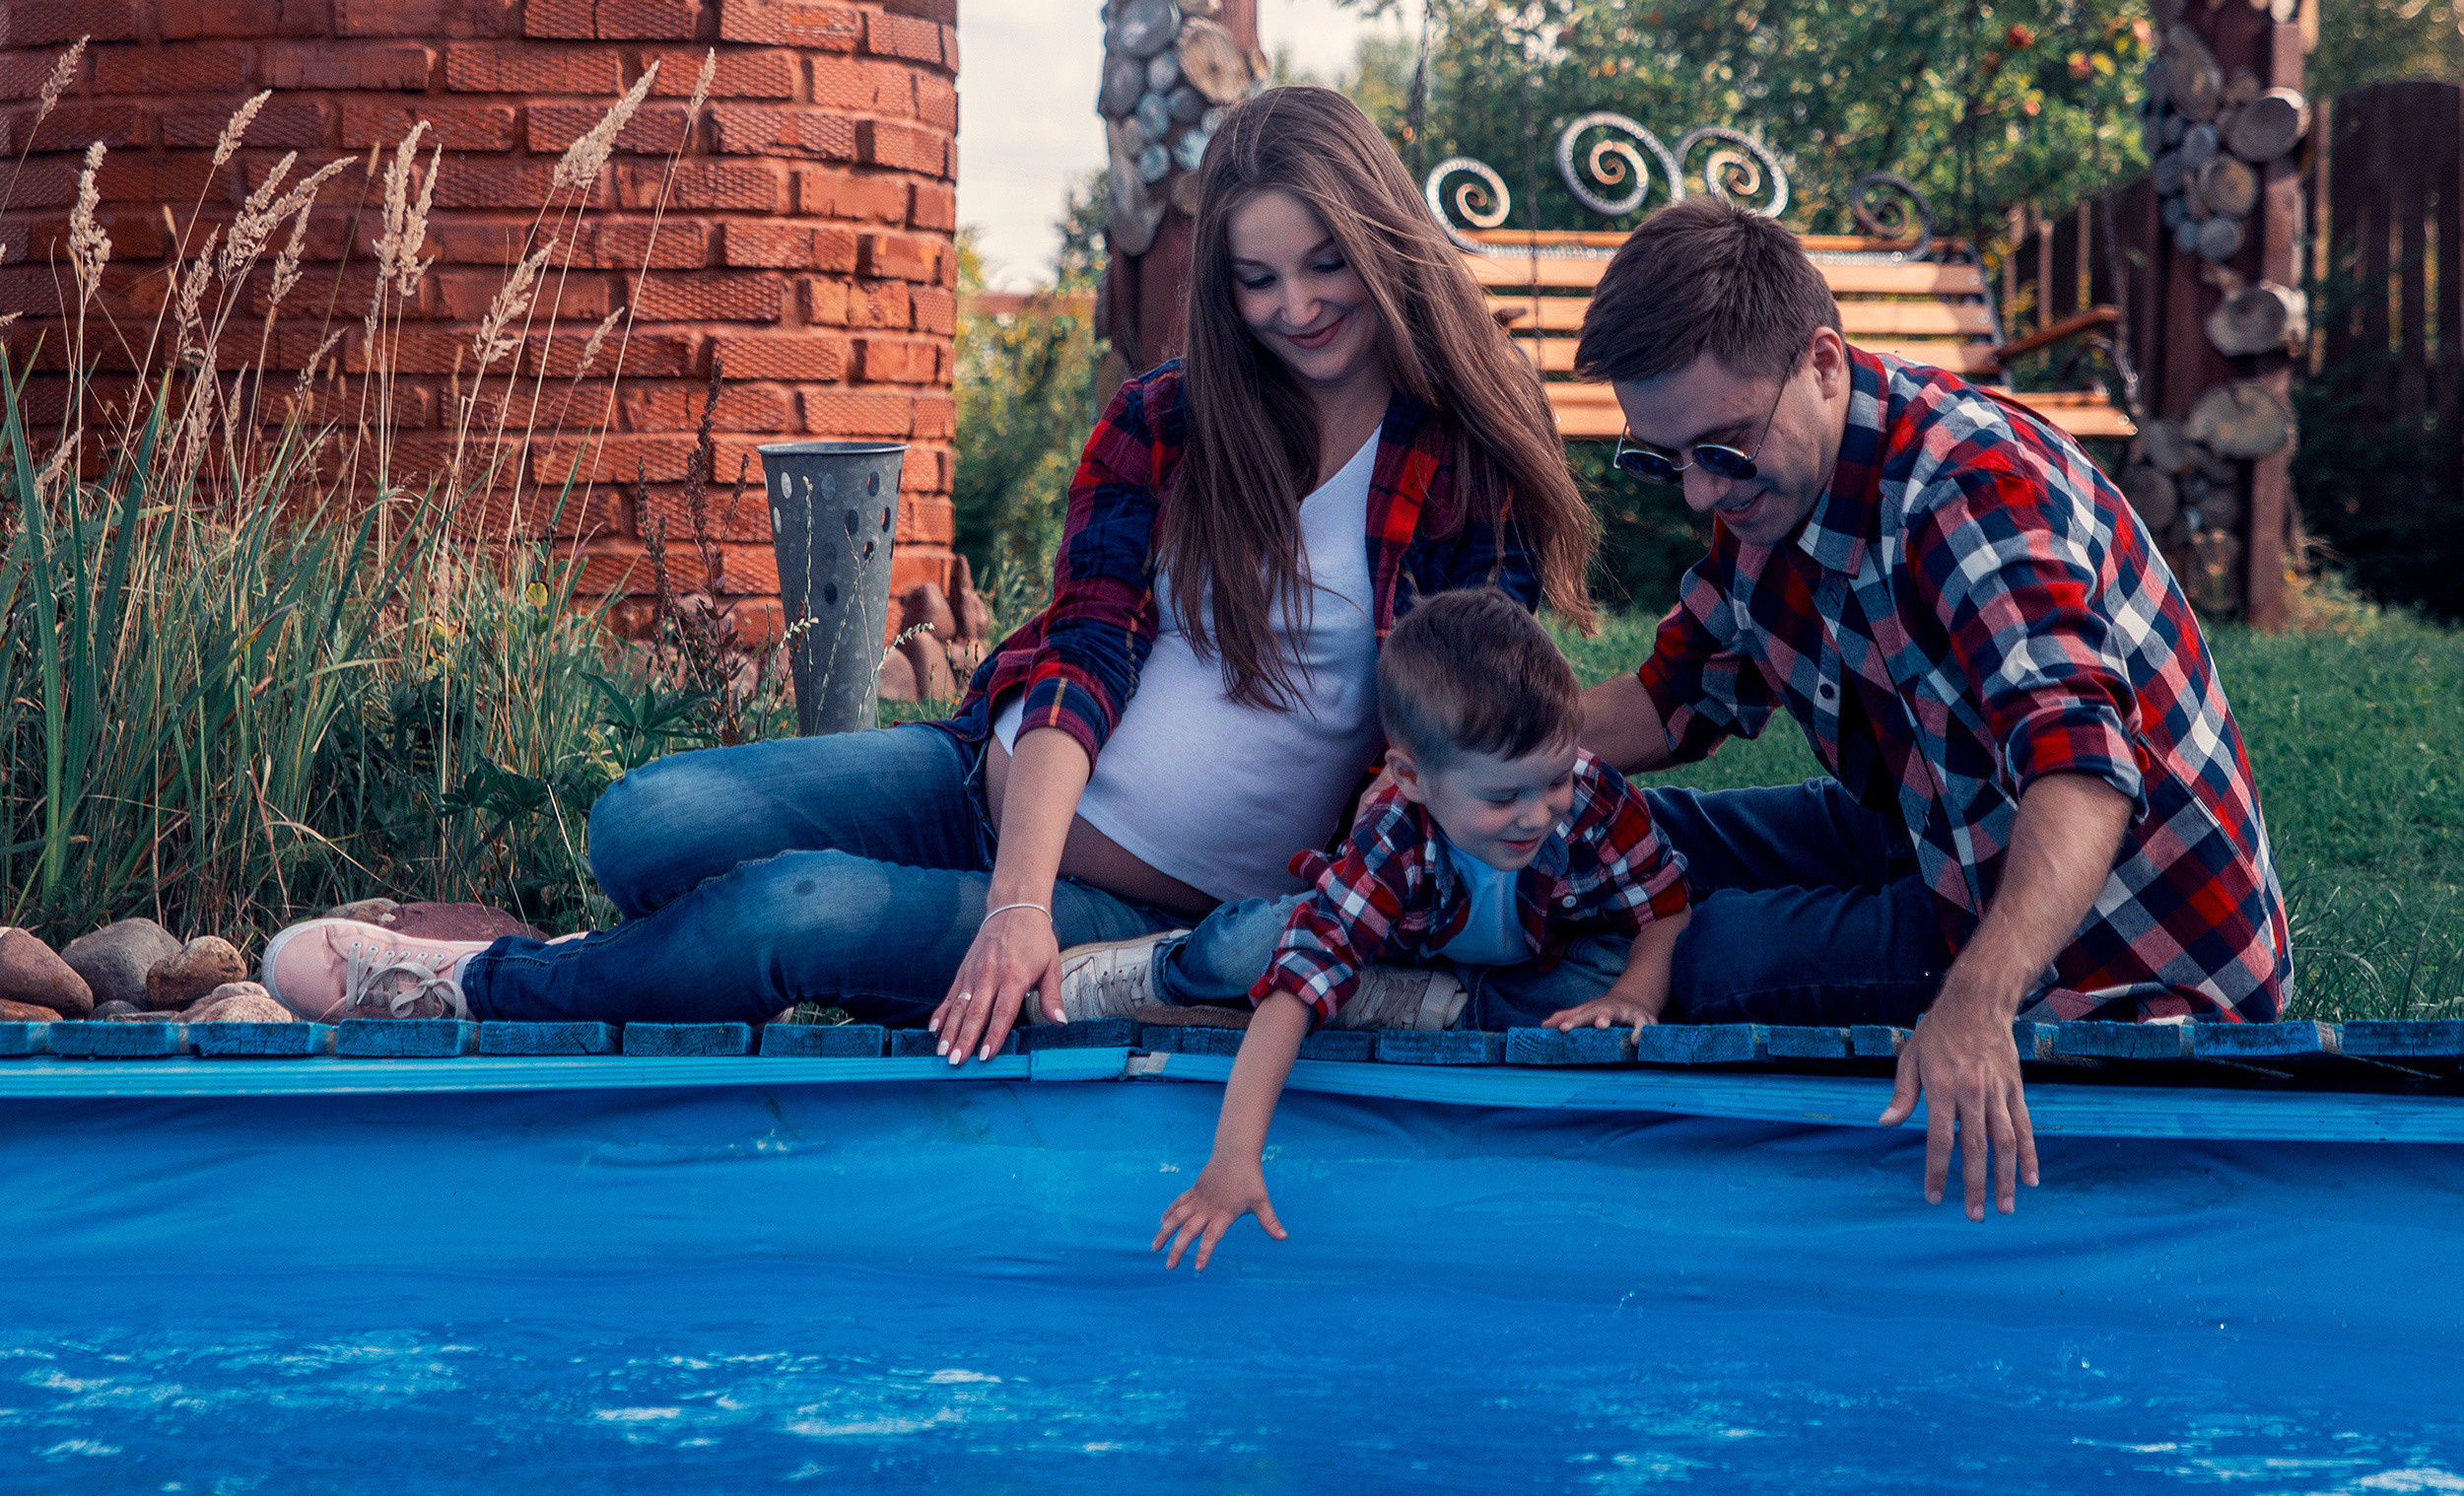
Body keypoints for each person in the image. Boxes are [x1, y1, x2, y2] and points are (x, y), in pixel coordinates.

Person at [257, 86, 1600, 1054]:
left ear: (1381, 238)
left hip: (1132, 901)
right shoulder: (1173, 419)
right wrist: (1009, 896)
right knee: (643, 822)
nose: (1295, 306)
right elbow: (1086, 654)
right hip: (990, 784)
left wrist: (1246, 932)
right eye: (1255, 278)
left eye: (1324, 264)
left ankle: (476, 989)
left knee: (797, 911)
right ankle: (657, 961)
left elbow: (1452, 739)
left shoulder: (1464, 459)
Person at [1573, 198, 2287, 1224]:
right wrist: (1452, 753)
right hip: (1942, 829)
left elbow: (2082, 769)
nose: (1696, 493)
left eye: (1721, 448)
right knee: (1616, 825)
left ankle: (1474, 994)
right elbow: (1665, 701)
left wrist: (1975, 1001)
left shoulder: (1967, 493)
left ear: (1822, 361)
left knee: (1711, 952)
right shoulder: (1767, 488)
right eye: (1662, 458)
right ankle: (1479, 912)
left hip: (2118, 942)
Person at [1153, 587, 1692, 1271]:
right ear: (1410, 776)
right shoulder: (1393, 835)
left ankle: (1413, 1000)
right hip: (1387, 941)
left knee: (1607, 981)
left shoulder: (1590, 795)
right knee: (1254, 952)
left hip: (1521, 965)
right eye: (1503, 797)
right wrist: (1234, 1158)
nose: (1537, 813)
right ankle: (1160, 963)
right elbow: (1294, 987)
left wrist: (1638, 995)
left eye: (1551, 779)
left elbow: (1666, 906)